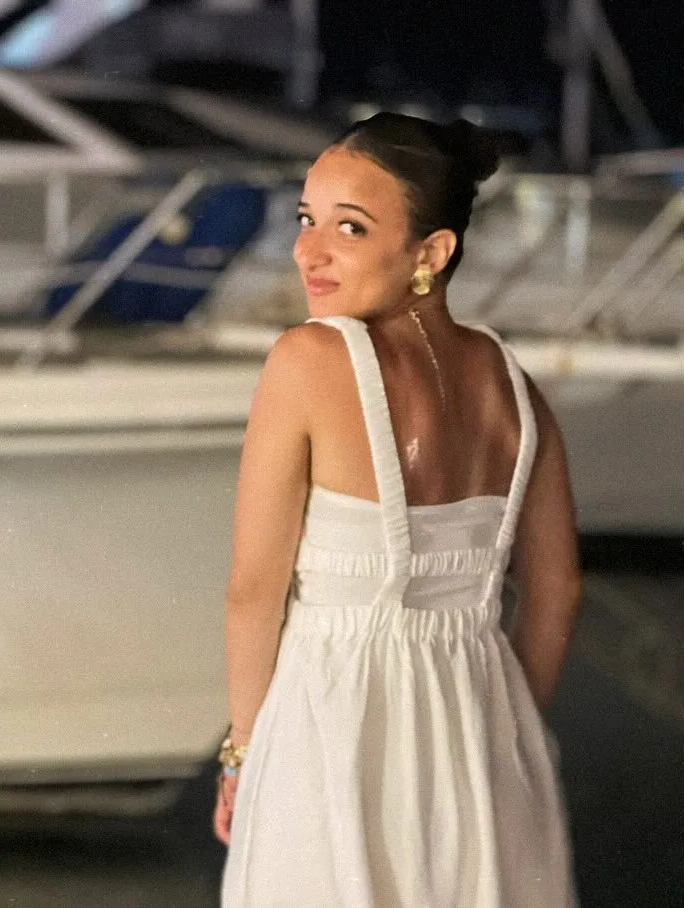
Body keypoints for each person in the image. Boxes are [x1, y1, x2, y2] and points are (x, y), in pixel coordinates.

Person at [214, 113, 581, 906]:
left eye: (348, 227)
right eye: (306, 220)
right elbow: (556, 593)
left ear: (430, 252)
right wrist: (505, 727)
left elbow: (253, 592)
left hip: (333, 731)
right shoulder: (514, 386)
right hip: (482, 732)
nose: (308, 252)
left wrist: (242, 754)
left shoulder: (308, 361)